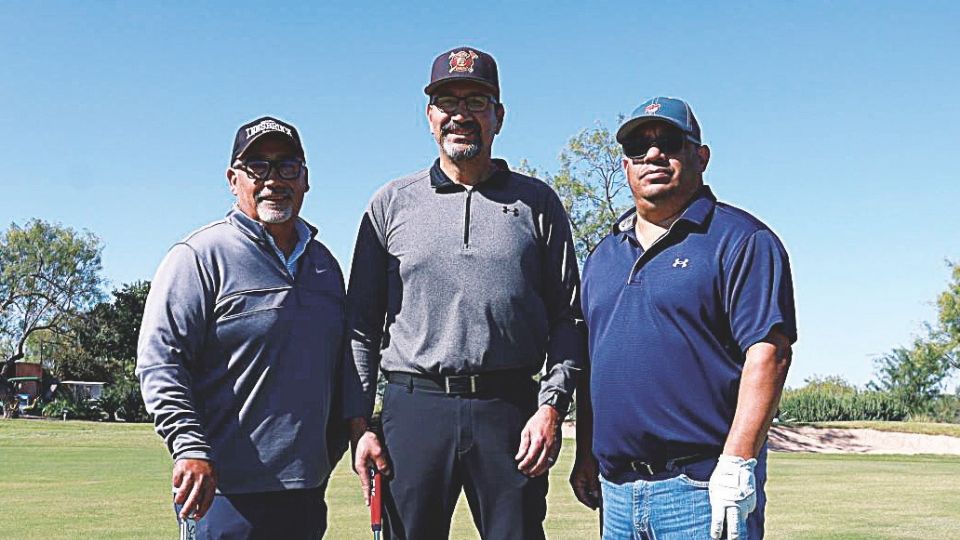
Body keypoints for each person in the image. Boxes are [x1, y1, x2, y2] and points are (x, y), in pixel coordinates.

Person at [346, 46, 586, 540]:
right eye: (448, 102)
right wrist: (358, 424)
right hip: (414, 407)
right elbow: (361, 326)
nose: (461, 115)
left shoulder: (537, 202)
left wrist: (552, 406)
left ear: (499, 116)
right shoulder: (390, 204)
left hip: (510, 409)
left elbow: (569, 319)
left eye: (476, 102)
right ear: (429, 116)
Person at [571, 97, 796, 539]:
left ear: (701, 156)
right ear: (625, 166)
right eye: (639, 147)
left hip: (701, 488)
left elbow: (769, 356)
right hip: (616, 494)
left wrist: (737, 462)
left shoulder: (742, 240)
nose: (652, 155)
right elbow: (593, 363)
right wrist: (585, 453)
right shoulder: (603, 255)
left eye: (668, 142)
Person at [136, 116, 365, 539]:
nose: (272, 179)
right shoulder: (198, 257)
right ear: (232, 178)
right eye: (257, 166)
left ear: (305, 179)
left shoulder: (324, 265)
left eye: (286, 166)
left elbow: (341, 366)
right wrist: (188, 446)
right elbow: (159, 364)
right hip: (223, 494)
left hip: (306, 495)